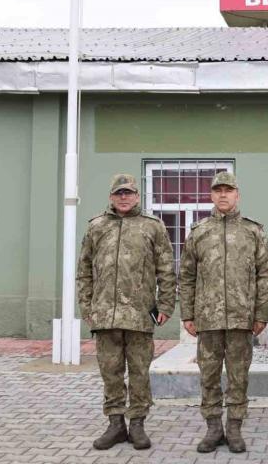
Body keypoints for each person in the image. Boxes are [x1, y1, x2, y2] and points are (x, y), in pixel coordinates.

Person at [77, 173, 176, 451]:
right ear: (111, 197)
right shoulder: (97, 226)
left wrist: (166, 305)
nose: (123, 197)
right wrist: (87, 306)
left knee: (139, 372)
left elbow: (166, 269)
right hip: (105, 315)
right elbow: (84, 270)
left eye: (128, 193)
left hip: (139, 315)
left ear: (137, 196)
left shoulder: (152, 226)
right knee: (110, 372)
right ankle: (115, 424)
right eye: (119, 193)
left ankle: (137, 425)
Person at [178, 171, 268, 454]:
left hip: (241, 319)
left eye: (228, 190)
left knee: (238, 376)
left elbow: (265, 276)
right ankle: (213, 428)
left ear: (237, 195)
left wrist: (261, 314)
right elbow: (187, 276)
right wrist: (187, 314)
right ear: (211, 195)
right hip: (207, 319)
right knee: (208, 375)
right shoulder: (199, 232)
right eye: (218, 190)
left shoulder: (253, 231)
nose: (223, 195)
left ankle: (234, 427)